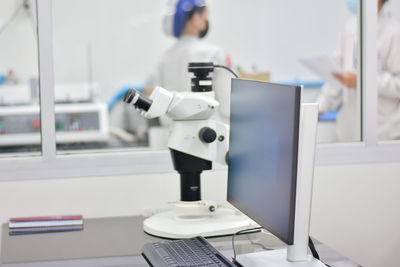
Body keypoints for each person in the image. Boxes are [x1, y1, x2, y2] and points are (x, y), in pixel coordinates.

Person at [317, 0, 400, 141]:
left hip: (383, 132)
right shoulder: (350, 27)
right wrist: (319, 107)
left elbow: (397, 85)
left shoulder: (394, 32)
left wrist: (364, 81)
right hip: (348, 130)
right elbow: (336, 74)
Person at [156, 0, 232, 124]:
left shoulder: (164, 58)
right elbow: (228, 104)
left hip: (174, 135)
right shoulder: (215, 54)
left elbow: (160, 107)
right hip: (211, 134)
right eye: (205, 16)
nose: (206, 20)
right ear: (196, 18)